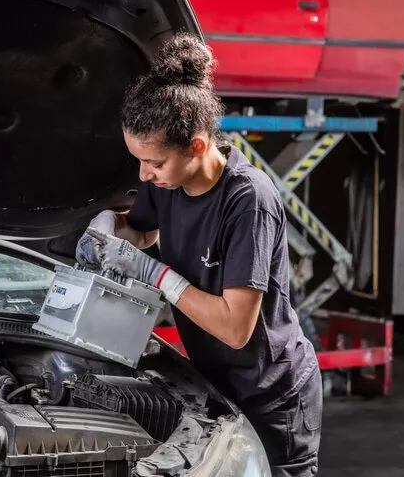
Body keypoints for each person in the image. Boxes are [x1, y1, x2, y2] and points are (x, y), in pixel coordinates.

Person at [75, 34, 323, 476]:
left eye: (153, 162)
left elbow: (234, 328)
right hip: (213, 381)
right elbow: (141, 231)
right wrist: (107, 229)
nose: (143, 174)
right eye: (139, 161)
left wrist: (156, 275)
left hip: (271, 396)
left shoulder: (249, 201)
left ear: (197, 145)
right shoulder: (168, 184)